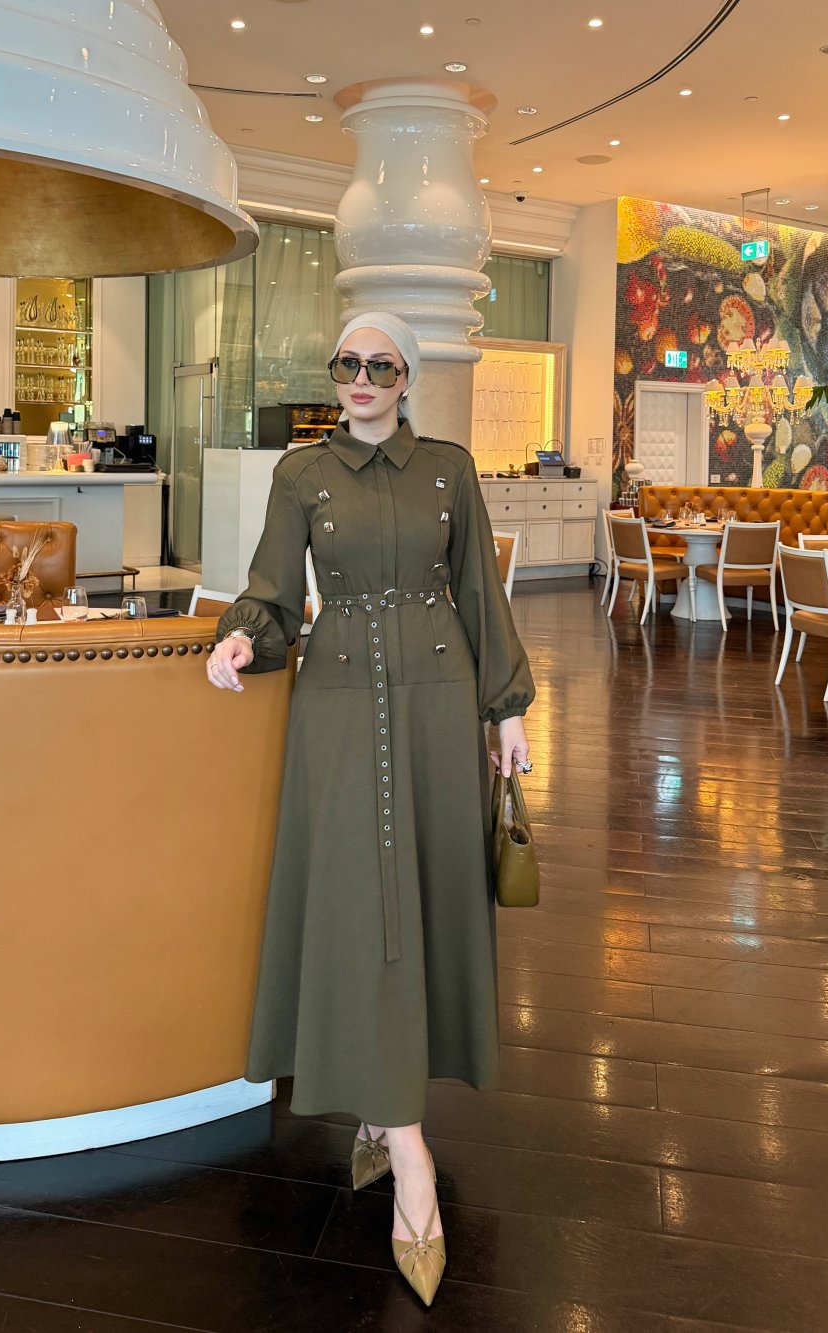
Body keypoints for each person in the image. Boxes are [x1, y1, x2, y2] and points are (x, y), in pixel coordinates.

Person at [208, 311, 534, 1306]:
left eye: (380, 365)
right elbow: (273, 590)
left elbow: (480, 593)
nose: (361, 377)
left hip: (438, 699)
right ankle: (407, 1147)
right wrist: (243, 638)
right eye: (346, 362)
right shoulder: (301, 475)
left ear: (405, 377)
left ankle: (385, 1119)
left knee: (422, 895)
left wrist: (508, 709)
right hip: (340, 698)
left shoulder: (449, 470)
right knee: (356, 901)